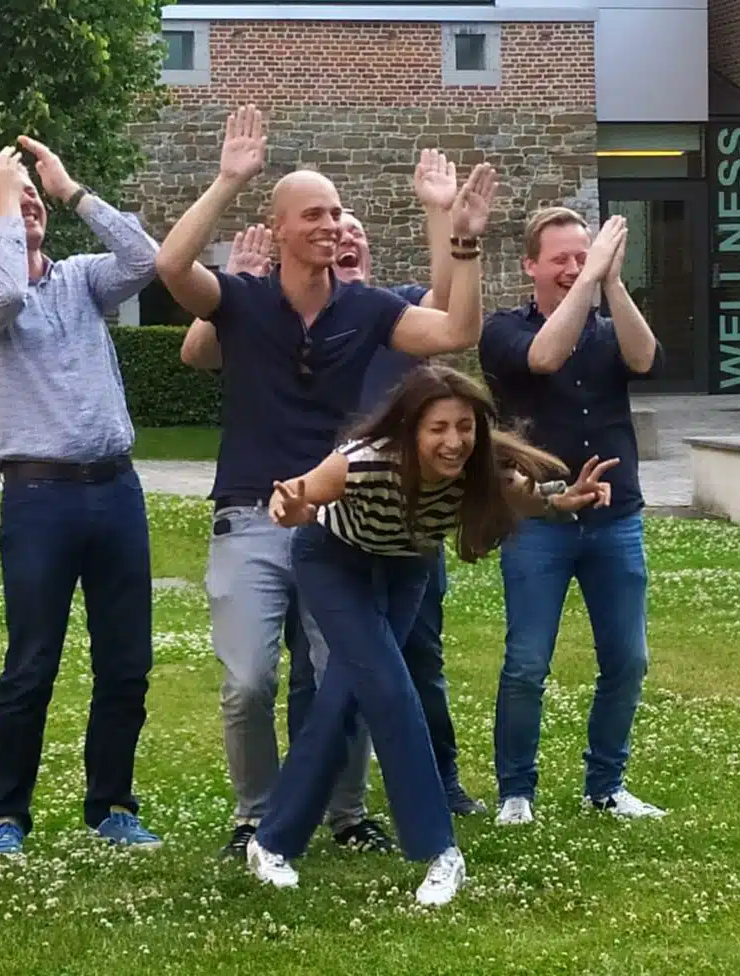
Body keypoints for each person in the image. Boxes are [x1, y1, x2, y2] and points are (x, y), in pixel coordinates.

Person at [153, 104, 493, 860]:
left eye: (337, 213)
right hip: (249, 514)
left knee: (345, 672)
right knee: (248, 681)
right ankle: (255, 816)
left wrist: (462, 238)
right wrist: (228, 179)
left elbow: (457, 331)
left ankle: (346, 813)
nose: (332, 225)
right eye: (315, 214)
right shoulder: (242, 301)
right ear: (277, 229)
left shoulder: (366, 309)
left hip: (338, 521)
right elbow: (171, 268)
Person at [251, 365, 618, 905]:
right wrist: (290, 507)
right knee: (390, 691)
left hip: (407, 566)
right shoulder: (364, 462)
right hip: (334, 564)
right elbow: (297, 497)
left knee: (346, 698)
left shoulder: (480, 467)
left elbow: (525, 499)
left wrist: (563, 502)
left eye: (464, 426)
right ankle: (441, 851)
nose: (454, 441)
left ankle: (271, 841)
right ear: (411, 430)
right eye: (438, 428)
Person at [0, 137, 162, 856]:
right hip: (38, 498)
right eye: (10, 200)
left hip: (116, 490)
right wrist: (7, 197)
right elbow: (6, 292)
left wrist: (72, 192)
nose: (27, 203)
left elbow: (146, 262)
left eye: (33, 199)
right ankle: (4, 814)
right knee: (32, 662)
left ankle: (112, 805)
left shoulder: (83, 278)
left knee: (126, 662)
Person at [478, 207, 667, 826]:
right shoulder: (503, 330)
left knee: (628, 659)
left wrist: (611, 283)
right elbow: (543, 358)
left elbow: (645, 359)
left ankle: (606, 785)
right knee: (528, 662)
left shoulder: (610, 327)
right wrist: (589, 281)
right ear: (530, 265)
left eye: (582, 256)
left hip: (616, 518)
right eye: (560, 258)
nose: (573, 267)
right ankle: (516, 791)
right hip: (538, 518)